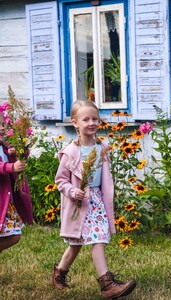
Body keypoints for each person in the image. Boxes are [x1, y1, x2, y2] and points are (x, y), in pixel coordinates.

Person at [53, 100, 136, 299]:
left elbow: (104, 179)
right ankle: (71, 276)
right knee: (82, 242)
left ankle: (97, 282)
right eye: (86, 119)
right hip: (81, 202)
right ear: (75, 123)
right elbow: (60, 180)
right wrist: (73, 191)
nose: (91, 123)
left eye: (95, 119)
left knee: (91, 239)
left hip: (97, 201)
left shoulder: (102, 149)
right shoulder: (70, 153)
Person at [0, 112, 33, 252]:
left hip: (5, 200)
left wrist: (17, 153)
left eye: (3, 124)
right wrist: (10, 167)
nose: (2, 128)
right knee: (12, 235)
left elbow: (21, 156)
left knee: (13, 235)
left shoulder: (4, 146)